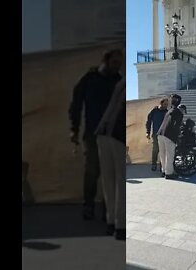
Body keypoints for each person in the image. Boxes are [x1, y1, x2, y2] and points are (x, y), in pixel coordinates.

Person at [68, 49, 123, 220]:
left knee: (112, 173)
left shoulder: (119, 82)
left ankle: (110, 209)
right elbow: (76, 105)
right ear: (105, 61)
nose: (117, 67)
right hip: (92, 133)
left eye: (119, 64)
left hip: (113, 134)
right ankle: (89, 206)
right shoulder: (89, 79)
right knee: (92, 171)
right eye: (114, 63)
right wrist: (74, 129)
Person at [94, 79, 125, 240]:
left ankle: (112, 222)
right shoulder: (120, 83)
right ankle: (120, 225)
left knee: (109, 181)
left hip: (104, 131)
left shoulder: (118, 83)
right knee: (120, 181)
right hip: (117, 133)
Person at [157, 94, 183, 180]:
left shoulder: (169, 111)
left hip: (160, 133)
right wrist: (178, 136)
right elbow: (176, 126)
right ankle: (169, 173)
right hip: (169, 135)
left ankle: (164, 170)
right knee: (169, 154)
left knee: (162, 154)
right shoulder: (178, 112)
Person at [146, 98, 169, 171]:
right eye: (165, 104)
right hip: (156, 134)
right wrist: (148, 132)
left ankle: (162, 166)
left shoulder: (167, 112)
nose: (166, 106)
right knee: (155, 150)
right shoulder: (154, 111)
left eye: (167, 104)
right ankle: (154, 164)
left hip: (164, 134)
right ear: (161, 103)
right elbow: (148, 122)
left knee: (163, 150)